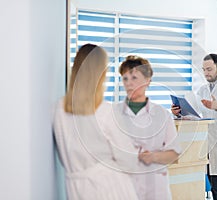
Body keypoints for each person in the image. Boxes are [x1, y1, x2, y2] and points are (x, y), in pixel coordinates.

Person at [53, 44, 138, 200]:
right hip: (110, 188)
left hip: (76, 189)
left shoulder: (59, 109)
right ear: (101, 74)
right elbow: (129, 162)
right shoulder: (105, 111)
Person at [111, 55, 182, 200]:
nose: (129, 83)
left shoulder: (162, 115)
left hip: (155, 190)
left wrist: (153, 157)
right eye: (125, 78)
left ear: (148, 80)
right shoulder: (112, 114)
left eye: (134, 78)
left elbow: (174, 154)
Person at [171, 53, 217, 200]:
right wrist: (179, 113)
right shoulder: (202, 90)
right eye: (204, 69)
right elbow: (195, 114)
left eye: (209, 69)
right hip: (206, 143)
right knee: (214, 185)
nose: (206, 73)